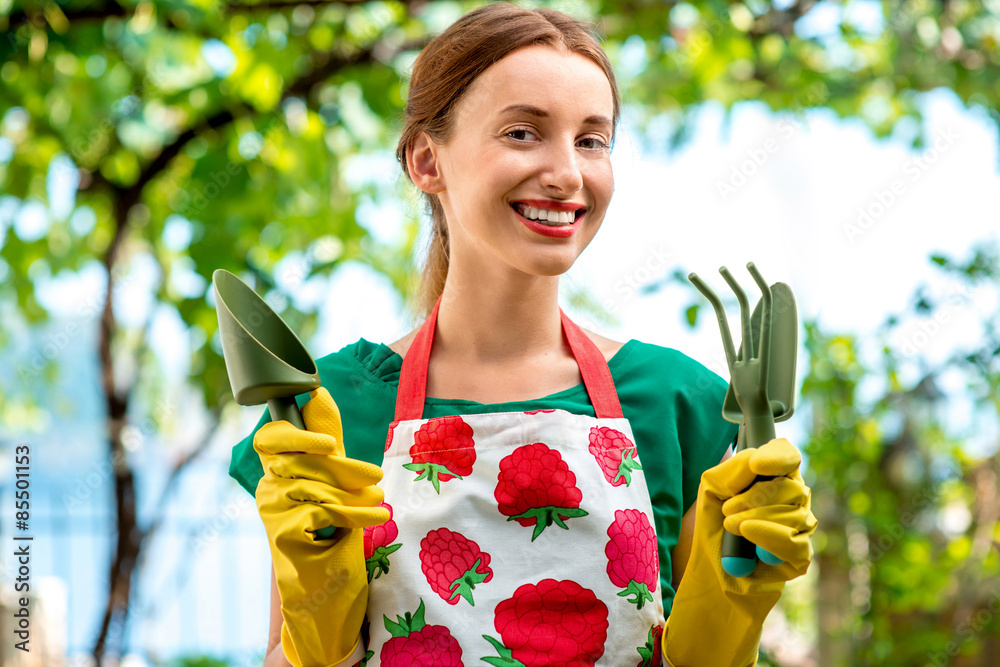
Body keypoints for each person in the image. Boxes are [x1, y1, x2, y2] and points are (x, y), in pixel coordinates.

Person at [228, 3, 817, 666]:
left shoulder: (680, 402)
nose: (568, 172)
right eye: (522, 133)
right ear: (427, 160)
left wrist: (736, 603)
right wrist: (316, 598)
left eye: (592, 140)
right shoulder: (331, 407)